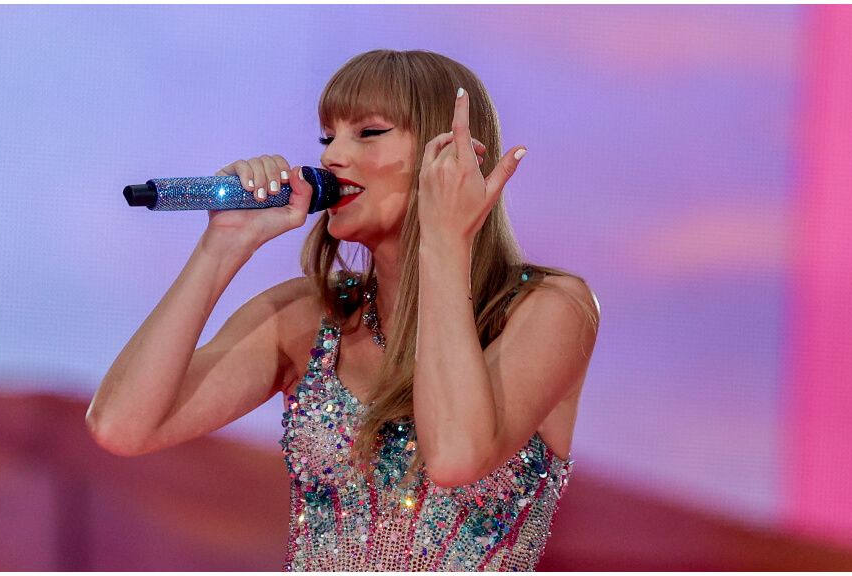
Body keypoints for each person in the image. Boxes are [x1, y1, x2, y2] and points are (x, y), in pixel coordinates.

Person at [87, 49, 600, 571]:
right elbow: (122, 427)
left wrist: (446, 240)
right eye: (327, 138)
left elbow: (455, 457)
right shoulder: (308, 315)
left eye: (368, 133)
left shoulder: (549, 309)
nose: (332, 157)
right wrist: (221, 247)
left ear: (451, 154)